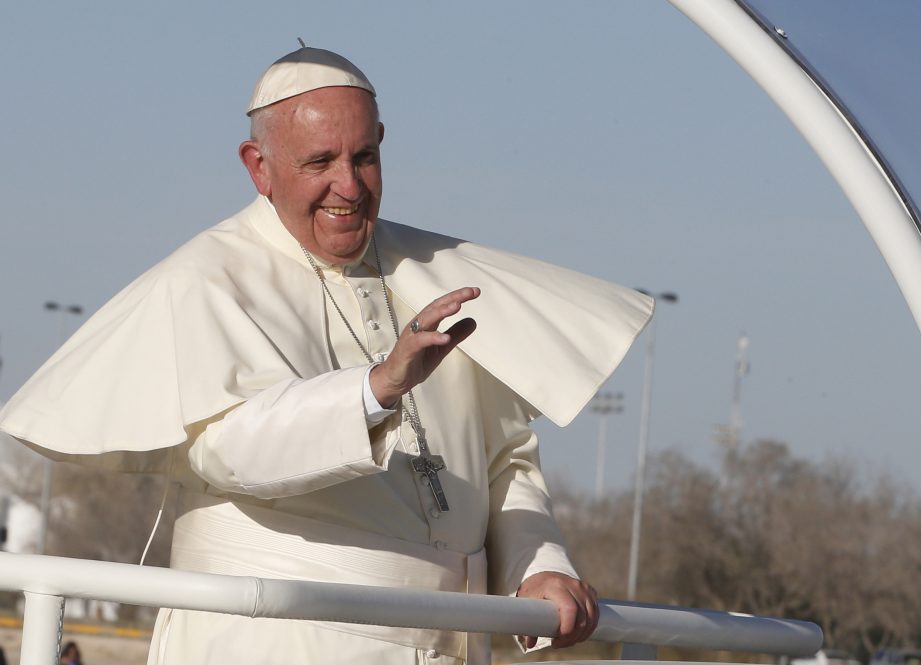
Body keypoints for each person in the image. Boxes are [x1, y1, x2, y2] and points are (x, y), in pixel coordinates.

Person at [0, 47, 653, 664]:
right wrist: (375, 389)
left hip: (450, 643)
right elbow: (233, 446)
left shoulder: (436, 270)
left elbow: (504, 457)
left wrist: (539, 567)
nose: (349, 185)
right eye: (319, 162)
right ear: (259, 165)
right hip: (278, 640)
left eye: (364, 157)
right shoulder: (205, 280)